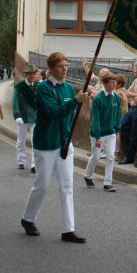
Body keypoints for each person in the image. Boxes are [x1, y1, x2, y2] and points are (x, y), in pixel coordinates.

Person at [20, 52, 89, 243]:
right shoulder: (43, 88)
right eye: (60, 66)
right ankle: (28, 218)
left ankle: (68, 230)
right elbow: (53, 112)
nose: (65, 69)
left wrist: (77, 101)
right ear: (51, 69)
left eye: (66, 65)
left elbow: (68, 115)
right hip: (45, 144)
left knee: (67, 187)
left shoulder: (68, 88)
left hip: (64, 144)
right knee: (42, 185)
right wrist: (75, 101)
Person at [83, 72, 121, 191]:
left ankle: (107, 183)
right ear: (104, 83)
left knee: (110, 157)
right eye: (111, 82)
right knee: (95, 156)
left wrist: (117, 131)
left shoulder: (116, 97)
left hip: (111, 133)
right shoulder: (98, 98)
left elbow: (118, 115)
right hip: (98, 133)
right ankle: (87, 176)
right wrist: (97, 136)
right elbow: (95, 118)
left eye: (115, 82)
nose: (114, 84)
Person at [119, 62, 137, 165]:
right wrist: (136, 94)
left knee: (133, 133)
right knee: (122, 126)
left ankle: (129, 157)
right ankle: (126, 154)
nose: (133, 71)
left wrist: (135, 96)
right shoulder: (136, 81)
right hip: (132, 108)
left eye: (135, 69)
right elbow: (127, 93)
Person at [14, 65, 39, 172]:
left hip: (35, 117)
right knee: (21, 141)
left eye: (34, 73)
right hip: (23, 117)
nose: (32, 75)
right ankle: (21, 161)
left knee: (35, 141)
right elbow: (15, 102)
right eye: (30, 74)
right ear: (26, 74)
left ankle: (34, 164)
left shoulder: (38, 86)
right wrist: (17, 115)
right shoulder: (19, 87)